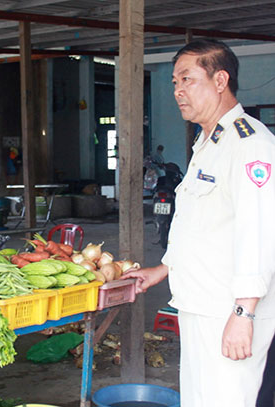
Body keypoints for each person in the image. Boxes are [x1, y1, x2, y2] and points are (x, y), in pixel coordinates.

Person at [123, 39, 275, 407]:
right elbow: (199, 225)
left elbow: (259, 233)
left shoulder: (249, 144)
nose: (177, 91)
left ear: (220, 80)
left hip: (230, 311)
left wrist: (243, 314)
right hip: (200, 305)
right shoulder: (208, 143)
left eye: (187, 80)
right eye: (175, 82)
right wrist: (164, 268)